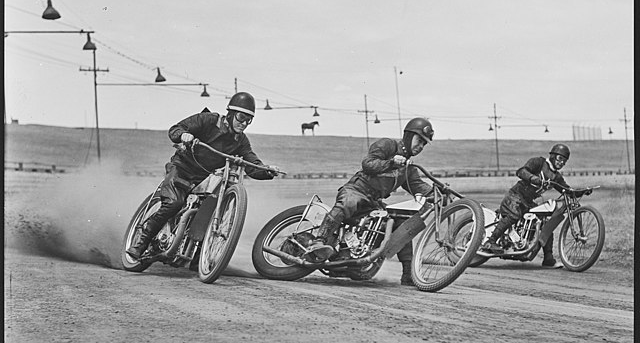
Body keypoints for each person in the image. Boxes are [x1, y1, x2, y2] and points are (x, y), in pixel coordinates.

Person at [126, 91, 279, 260]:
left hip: (203, 179)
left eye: (248, 120)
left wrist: (267, 170)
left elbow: (252, 165)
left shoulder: (240, 141)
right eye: (241, 117)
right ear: (231, 114)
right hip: (181, 168)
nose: (244, 123)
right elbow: (175, 129)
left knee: (208, 210)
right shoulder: (208, 120)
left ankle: (198, 258)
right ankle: (140, 242)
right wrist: (183, 135)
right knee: (174, 203)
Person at [304, 117, 435, 285]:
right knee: (349, 202)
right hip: (357, 189)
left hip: (373, 202)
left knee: (402, 223)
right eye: (419, 140)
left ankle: (408, 274)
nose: (420, 146)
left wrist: (440, 193)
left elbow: (418, 186)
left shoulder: (408, 169)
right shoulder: (388, 145)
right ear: (409, 136)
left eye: (424, 144)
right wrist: (391, 162)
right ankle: (318, 241)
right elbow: (368, 163)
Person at [481, 143, 572, 268]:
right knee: (514, 215)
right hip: (516, 195)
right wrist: (533, 178)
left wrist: (581, 191)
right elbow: (521, 171)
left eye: (564, 161)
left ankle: (548, 258)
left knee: (545, 223)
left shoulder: (556, 177)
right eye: (560, 159)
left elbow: (566, 189)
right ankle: (490, 241)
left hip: (528, 202)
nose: (562, 163)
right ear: (552, 156)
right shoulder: (539, 163)